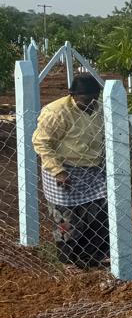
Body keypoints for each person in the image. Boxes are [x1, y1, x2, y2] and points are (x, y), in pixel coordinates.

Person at [31, 75, 109, 270]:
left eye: (94, 98)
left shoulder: (100, 110)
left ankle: (94, 255)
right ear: (72, 95)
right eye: (85, 99)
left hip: (91, 169)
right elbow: (42, 142)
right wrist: (58, 171)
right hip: (63, 168)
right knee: (67, 217)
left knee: (99, 212)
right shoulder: (57, 112)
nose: (90, 103)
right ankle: (69, 260)